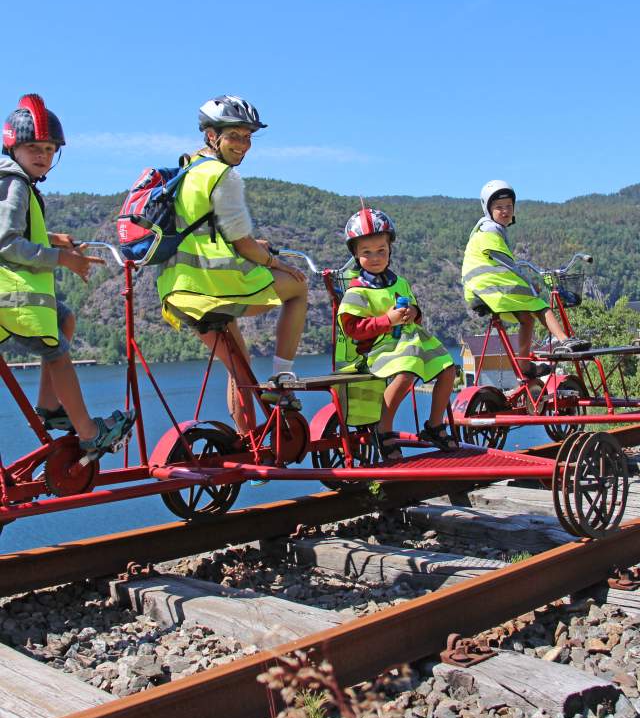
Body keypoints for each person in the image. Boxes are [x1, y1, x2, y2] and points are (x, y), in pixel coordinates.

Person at [157, 95, 308, 430]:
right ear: (212, 135)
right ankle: (282, 377)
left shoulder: (185, 170)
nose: (244, 145)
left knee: (239, 367)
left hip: (179, 292)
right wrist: (272, 260)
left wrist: (250, 246)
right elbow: (242, 243)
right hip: (216, 287)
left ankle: (246, 443)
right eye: (235, 136)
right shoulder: (223, 176)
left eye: (248, 137)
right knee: (298, 287)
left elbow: (205, 231)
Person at [0, 94, 135, 454]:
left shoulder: (21, 184)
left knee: (66, 319)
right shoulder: (13, 184)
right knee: (57, 353)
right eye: (32, 147)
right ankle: (90, 432)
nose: (42, 154)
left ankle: (50, 407)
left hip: (18, 300)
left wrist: (54, 238)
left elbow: (20, 232)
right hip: (12, 300)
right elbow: (7, 243)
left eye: (48, 148)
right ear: (13, 147)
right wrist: (63, 258)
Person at [337, 206, 456, 460]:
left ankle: (435, 424)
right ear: (356, 256)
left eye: (381, 250)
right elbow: (353, 330)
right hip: (378, 349)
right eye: (367, 253)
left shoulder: (399, 282)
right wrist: (386, 320)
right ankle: (384, 429)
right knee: (406, 372)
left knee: (448, 369)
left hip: (409, 343)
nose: (376, 257)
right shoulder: (357, 291)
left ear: (390, 250)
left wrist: (413, 312)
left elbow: (414, 309)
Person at [461, 180, 590, 379]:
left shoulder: (482, 231)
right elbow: (507, 265)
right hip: (491, 286)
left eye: (509, 207)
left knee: (526, 319)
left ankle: (524, 366)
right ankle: (565, 340)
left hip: (478, 289)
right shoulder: (490, 231)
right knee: (539, 305)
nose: (505, 211)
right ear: (488, 210)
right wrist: (530, 285)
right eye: (498, 207)